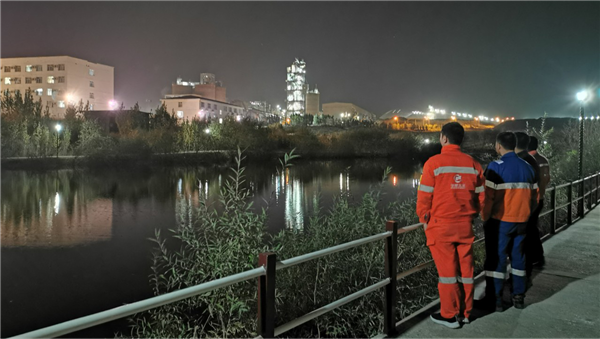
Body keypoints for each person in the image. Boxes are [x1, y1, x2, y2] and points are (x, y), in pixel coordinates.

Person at [417, 122, 485, 328]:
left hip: (441, 227)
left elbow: (423, 199)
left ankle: (449, 315)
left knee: (447, 274)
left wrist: (424, 221)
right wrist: (478, 215)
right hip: (465, 226)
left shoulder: (433, 164)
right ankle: (465, 313)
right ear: (461, 140)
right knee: (466, 271)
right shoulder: (473, 164)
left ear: (444, 138)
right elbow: (482, 199)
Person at [481, 132, 536, 311]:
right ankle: (518, 296)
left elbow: (487, 198)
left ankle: (495, 299)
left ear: (498, 146)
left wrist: (485, 217)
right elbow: (535, 197)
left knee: (497, 260)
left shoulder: (495, 167)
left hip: (501, 221)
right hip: (522, 221)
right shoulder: (528, 167)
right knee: (518, 258)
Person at [514, 132, 542, 286]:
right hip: (529, 206)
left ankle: (522, 277)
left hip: (519, 210)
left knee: (521, 245)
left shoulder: (522, 161)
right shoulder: (532, 160)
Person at [528, 136, 549, 267]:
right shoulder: (544, 159)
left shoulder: (531, 161)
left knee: (530, 229)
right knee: (533, 227)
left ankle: (535, 257)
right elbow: (547, 179)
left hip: (533, 199)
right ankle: (537, 256)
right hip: (541, 197)